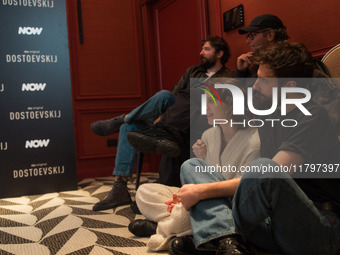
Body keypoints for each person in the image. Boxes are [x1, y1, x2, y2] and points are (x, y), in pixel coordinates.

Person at [168, 42, 340, 255]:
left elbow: (270, 175)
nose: (256, 85)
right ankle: (227, 242)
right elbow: (228, 104)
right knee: (192, 166)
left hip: (317, 226)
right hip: (271, 219)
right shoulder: (270, 111)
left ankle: (212, 238)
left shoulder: (312, 116)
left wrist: (200, 191)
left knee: (263, 169)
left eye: (264, 80)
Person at [91, 36, 233, 211]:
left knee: (195, 96)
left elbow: (225, 105)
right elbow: (175, 95)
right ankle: (120, 187)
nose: (201, 53)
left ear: (219, 53)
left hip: (196, 120)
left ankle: (125, 118)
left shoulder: (228, 77)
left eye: (207, 49)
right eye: (201, 49)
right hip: (173, 115)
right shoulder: (193, 71)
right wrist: (162, 116)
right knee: (158, 100)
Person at [128, 78, 260, 252]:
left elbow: (242, 188)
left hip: (229, 204)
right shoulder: (208, 135)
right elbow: (199, 181)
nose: (206, 108)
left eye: (211, 102)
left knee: (190, 166)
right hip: (206, 203)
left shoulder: (254, 140)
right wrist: (184, 196)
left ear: (230, 103)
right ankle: (188, 228)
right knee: (144, 192)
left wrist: (192, 198)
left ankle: (164, 228)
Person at [236, 13, 338, 106]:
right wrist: (241, 72)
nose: (247, 41)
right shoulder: (258, 68)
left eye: (251, 36)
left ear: (269, 35)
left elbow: (329, 111)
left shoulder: (299, 65)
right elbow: (245, 102)